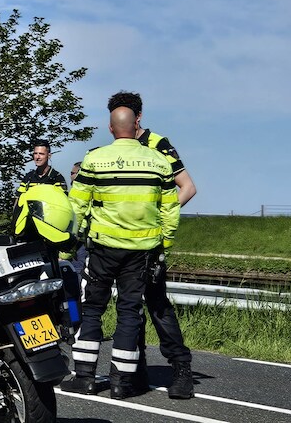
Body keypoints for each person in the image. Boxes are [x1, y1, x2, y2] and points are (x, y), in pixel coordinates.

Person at [63, 106, 180, 400]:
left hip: (102, 249)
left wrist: (70, 243)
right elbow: (170, 209)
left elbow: (77, 205)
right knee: (129, 312)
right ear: (135, 127)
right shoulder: (158, 161)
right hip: (141, 252)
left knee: (91, 309)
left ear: (111, 128)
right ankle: (121, 383)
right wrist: (163, 244)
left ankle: (85, 378)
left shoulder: (95, 159)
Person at [107, 91, 196, 399]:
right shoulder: (118, 148)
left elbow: (188, 187)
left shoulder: (158, 144)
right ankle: (138, 371)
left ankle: (181, 370)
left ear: (138, 118)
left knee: (157, 305)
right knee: (130, 308)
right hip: (121, 243)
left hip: (150, 244)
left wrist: (160, 219)